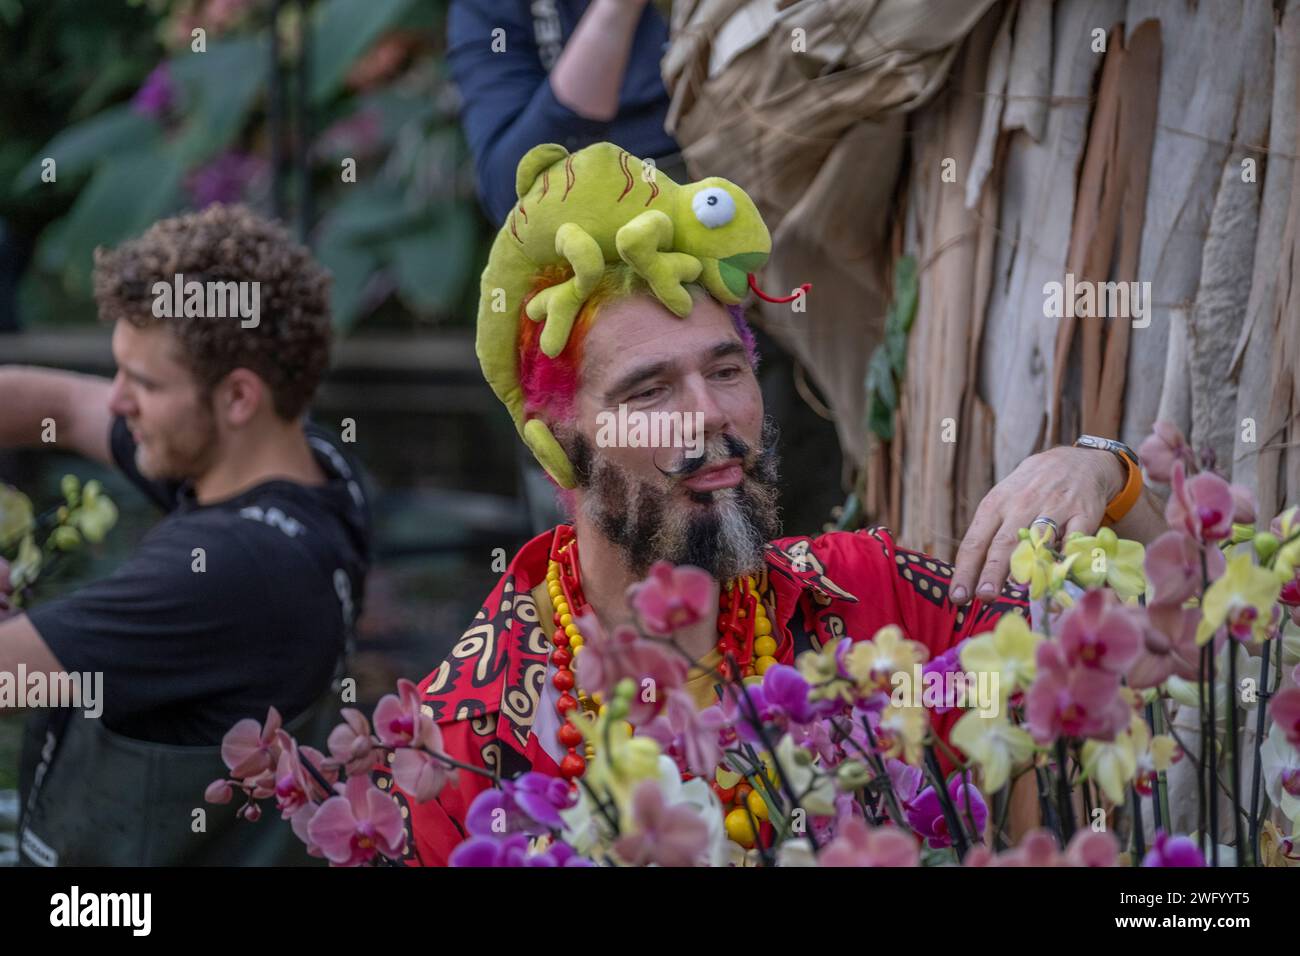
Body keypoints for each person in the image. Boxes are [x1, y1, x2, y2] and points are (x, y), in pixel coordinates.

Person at [374, 142, 1168, 865]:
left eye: (725, 372)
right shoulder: (465, 732)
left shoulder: (870, 603)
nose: (713, 416)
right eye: (650, 390)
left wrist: (1104, 471)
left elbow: (1166, 650)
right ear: (558, 439)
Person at [0, 204, 370, 866]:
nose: (115, 401)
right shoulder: (314, 471)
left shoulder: (225, 573)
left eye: (142, 382)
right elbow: (64, 407)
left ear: (237, 398)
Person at [447, 0, 682, 225]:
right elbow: (512, 196)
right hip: (628, 208)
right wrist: (616, 9)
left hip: (708, 160)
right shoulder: (489, 14)